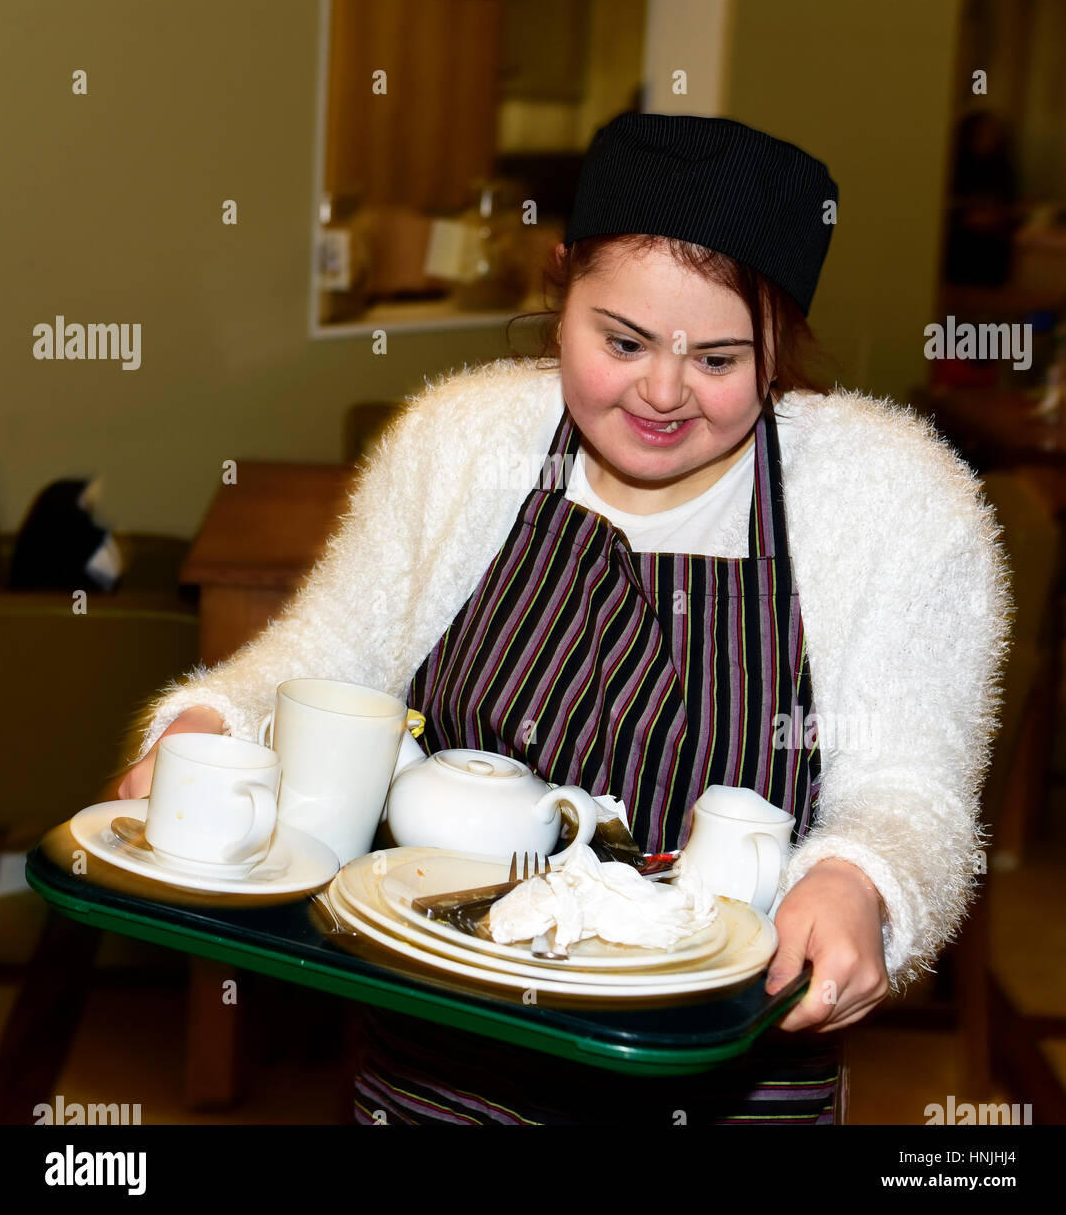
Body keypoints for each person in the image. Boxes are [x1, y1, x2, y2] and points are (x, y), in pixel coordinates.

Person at [118, 114, 1009, 1124]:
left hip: (719, 1086)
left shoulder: (891, 501)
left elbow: (912, 790)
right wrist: (215, 725)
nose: (664, 392)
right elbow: (334, 654)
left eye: (719, 359)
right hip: (440, 1064)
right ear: (559, 289)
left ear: (784, 343)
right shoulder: (462, 442)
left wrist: (863, 879)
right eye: (621, 341)